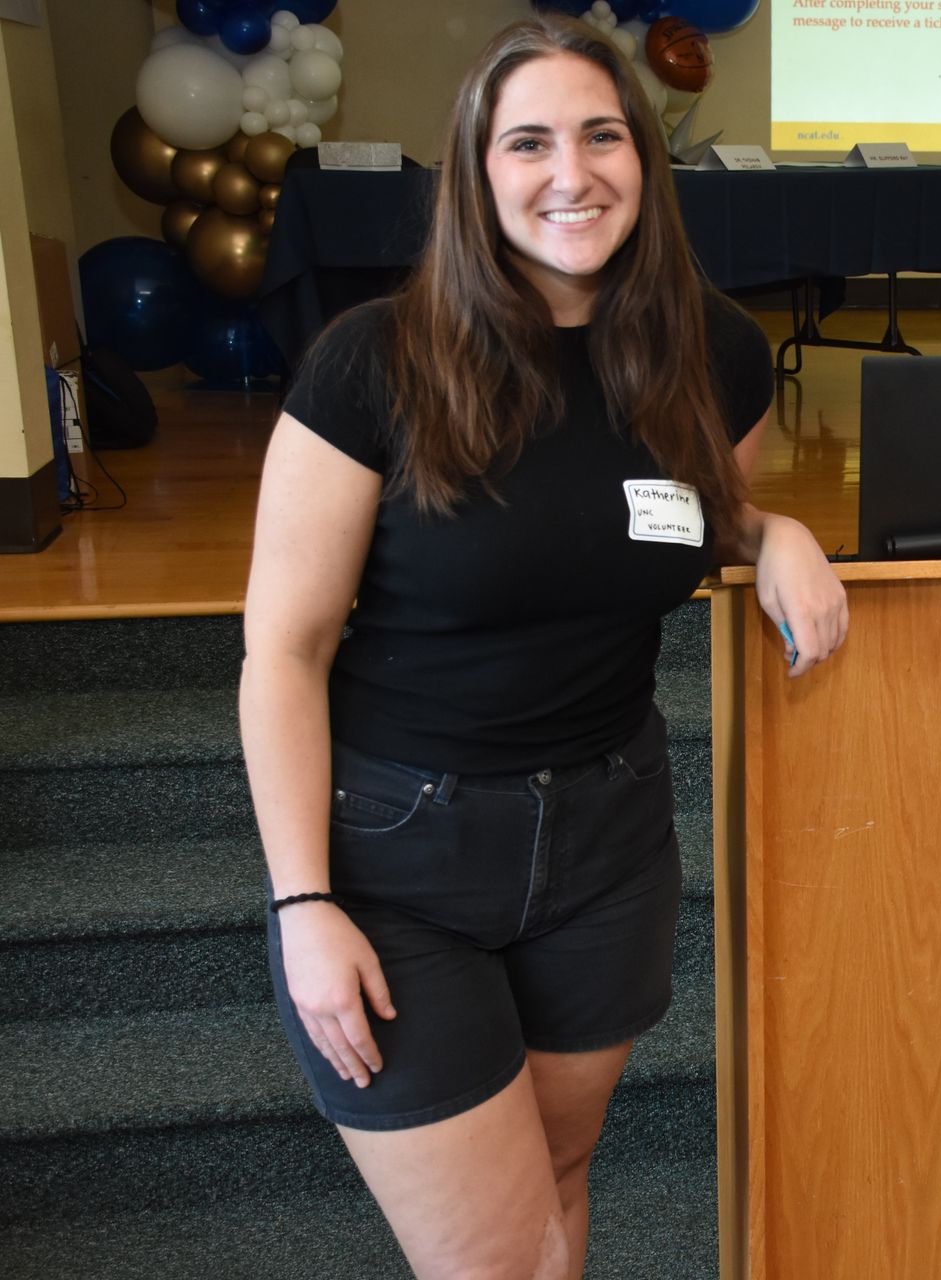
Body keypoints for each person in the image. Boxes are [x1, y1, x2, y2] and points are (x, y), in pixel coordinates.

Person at [237, 16, 847, 1278]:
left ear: (642, 158)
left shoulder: (715, 354)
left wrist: (769, 523)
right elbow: (283, 652)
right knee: (497, 1257)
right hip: (402, 853)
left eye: (600, 135)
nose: (571, 173)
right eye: (528, 142)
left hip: (608, 844)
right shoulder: (373, 364)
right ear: (477, 171)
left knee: (558, 1183)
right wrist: (305, 903)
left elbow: (692, 518)